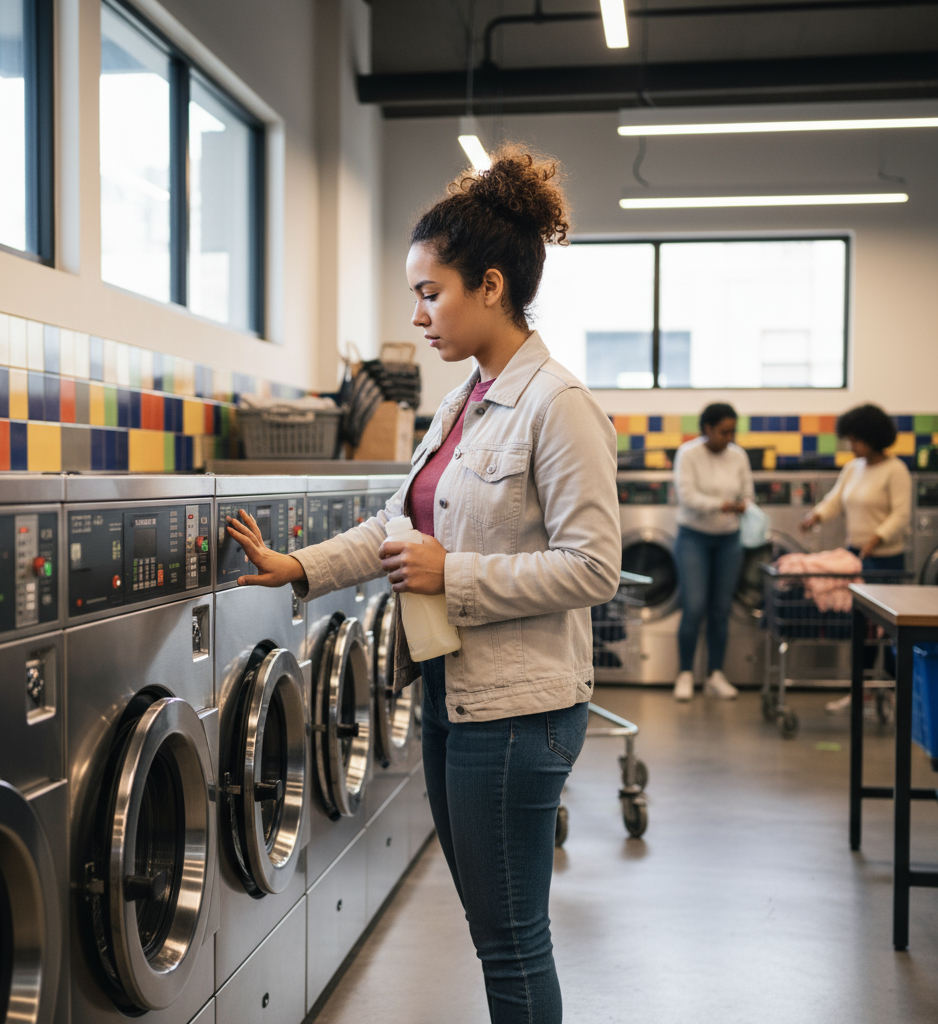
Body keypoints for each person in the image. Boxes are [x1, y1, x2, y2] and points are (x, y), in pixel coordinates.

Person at [225, 146, 621, 1024]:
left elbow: (594, 567)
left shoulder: (559, 406)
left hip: (519, 714)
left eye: (430, 292)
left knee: (512, 939)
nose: (418, 314)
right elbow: (400, 529)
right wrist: (299, 568)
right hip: (452, 693)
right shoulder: (462, 403)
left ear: (490, 285)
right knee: (496, 929)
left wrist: (459, 575)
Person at [801, 403, 912, 712]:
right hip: (856, 558)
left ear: (872, 437)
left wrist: (877, 538)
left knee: (888, 630)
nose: (851, 446)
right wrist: (816, 517)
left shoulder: (896, 471)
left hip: (887, 561)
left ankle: (891, 692)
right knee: (860, 628)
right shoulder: (853, 468)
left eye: (855, 439)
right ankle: (859, 691)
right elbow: (835, 500)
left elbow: (901, 515)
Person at [672, 403, 753, 702]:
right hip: (693, 538)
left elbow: (748, 491)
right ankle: (685, 674)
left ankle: (716, 675)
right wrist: (724, 505)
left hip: (729, 539)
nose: (729, 437)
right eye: (723, 431)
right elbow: (687, 496)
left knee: (720, 610)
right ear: (706, 428)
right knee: (693, 607)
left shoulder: (738, 456)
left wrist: (743, 502)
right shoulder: (689, 454)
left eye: (733, 431)